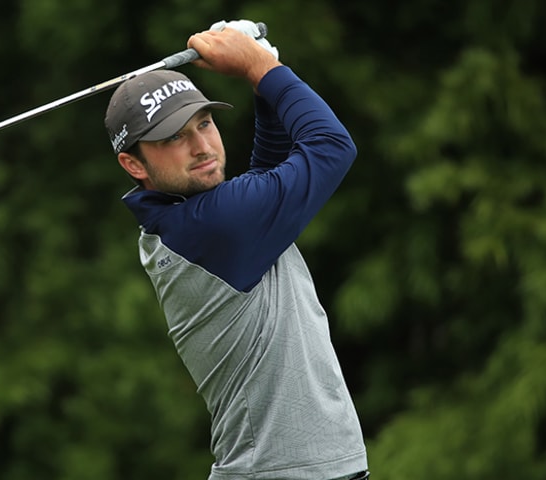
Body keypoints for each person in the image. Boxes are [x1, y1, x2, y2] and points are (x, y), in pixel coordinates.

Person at [104, 20, 369, 480]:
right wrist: (258, 65)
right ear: (133, 164)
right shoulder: (213, 226)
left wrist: (265, 72)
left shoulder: (184, 222)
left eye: (204, 123)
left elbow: (265, 173)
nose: (202, 146)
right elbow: (332, 146)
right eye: (173, 138)